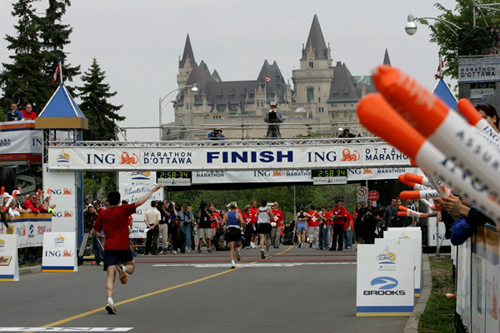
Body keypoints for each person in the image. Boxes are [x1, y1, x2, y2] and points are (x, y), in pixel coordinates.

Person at [91, 184, 162, 315]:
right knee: (131, 266)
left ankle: (109, 300)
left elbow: (93, 231)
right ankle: (122, 269)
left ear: (108, 201)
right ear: (118, 200)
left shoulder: (103, 214)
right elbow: (140, 202)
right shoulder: (124, 209)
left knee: (110, 275)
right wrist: (152, 190)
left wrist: (100, 236)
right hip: (122, 246)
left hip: (109, 248)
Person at [220, 202, 244, 268]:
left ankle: (232, 262)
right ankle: (238, 250)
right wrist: (242, 227)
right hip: (236, 230)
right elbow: (242, 222)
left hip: (230, 230)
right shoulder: (238, 214)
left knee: (231, 248)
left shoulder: (227, 214)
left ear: (230, 207)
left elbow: (221, 223)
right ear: (236, 207)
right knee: (238, 244)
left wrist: (225, 223)